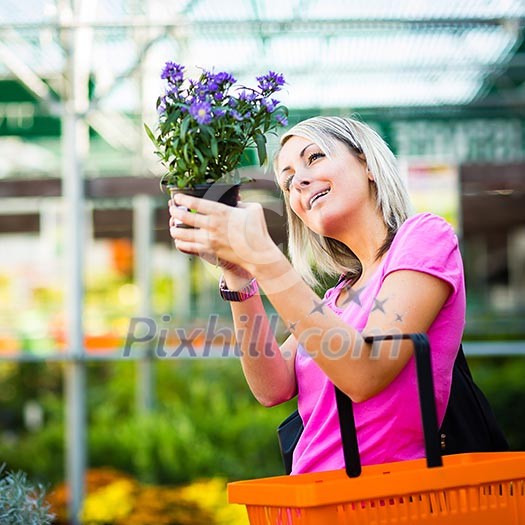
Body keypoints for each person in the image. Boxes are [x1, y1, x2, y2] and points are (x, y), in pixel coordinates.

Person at [168, 116, 465, 474]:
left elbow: (365, 374)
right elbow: (271, 387)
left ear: (367, 165)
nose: (300, 181)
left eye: (315, 157)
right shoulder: (337, 297)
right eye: (288, 180)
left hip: (385, 501)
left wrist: (263, 256)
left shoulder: (425, 237)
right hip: (311, 498)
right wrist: (238, 271)